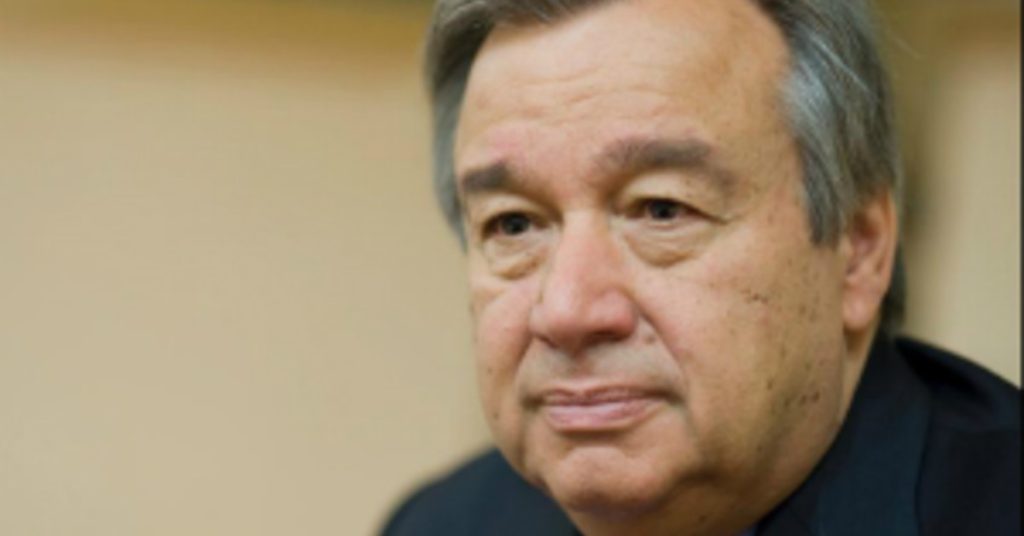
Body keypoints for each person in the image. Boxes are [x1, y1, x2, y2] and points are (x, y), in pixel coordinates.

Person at [382, 0, 1021, 534]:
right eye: (514, 224)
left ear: (859, 250)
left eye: (661, 210)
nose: (568, 311)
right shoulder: (443, 525)